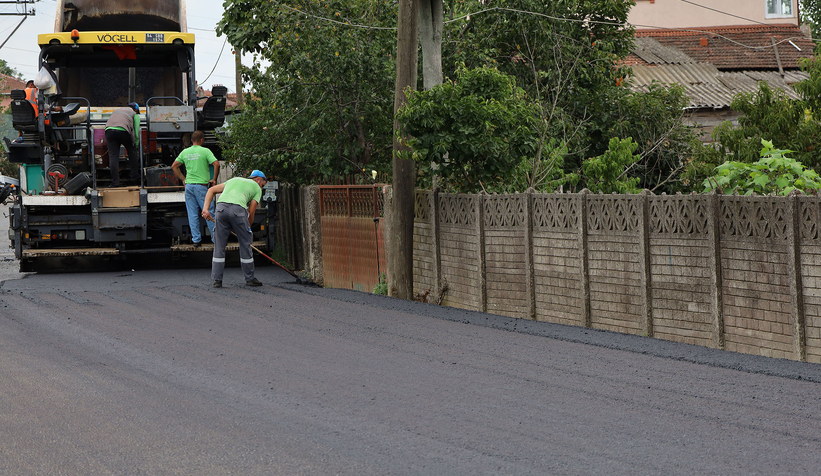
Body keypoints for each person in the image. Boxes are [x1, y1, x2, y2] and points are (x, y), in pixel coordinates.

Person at [202, 170, 267, 287]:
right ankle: (250, 278)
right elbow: (251, 212)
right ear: (258, 180)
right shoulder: (256, 188)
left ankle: (217, 280)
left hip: (221, 209)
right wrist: (248, 229)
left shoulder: (234, 180)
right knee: (245, 244)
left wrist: (205, 209)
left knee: (219, 245)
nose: (262, 188)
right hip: (238, 210)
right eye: (263, 185)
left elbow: (211, 190)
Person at [171, 130, 220, 247]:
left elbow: (174, 166)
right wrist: (214, 179)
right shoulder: (205, 151)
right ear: (202, 140)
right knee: (209, 213)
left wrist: (183, 179)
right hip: (202, 187)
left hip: (189, 187)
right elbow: (216, 164)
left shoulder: (185, 152)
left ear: (192, 140)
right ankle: (216, 240)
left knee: (192, 214)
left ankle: (196, 241)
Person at [104, 103, 141, 187]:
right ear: (135, 110)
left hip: (109, 131)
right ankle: (134, 178)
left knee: (113, 157)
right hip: (123, 130)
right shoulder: (134, 114)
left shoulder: (117, 111)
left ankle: (115, 183)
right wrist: (136, 144)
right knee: (132, 152)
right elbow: (136, 132)